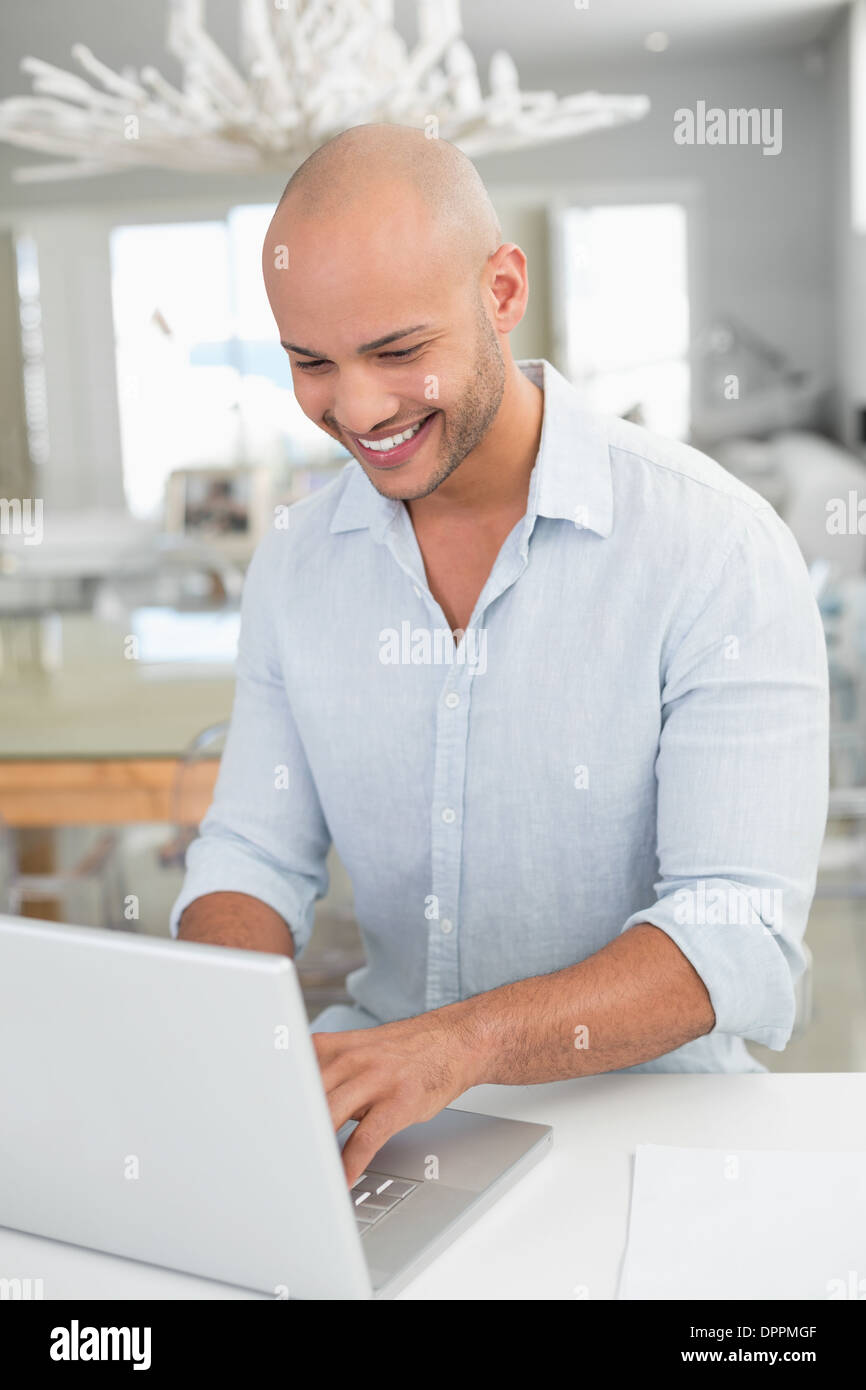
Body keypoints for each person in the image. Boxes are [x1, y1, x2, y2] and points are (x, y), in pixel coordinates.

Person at [171, 123, 828, 1187]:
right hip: (379, 1129)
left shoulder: (714, 545)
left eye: (396, 351)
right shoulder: (295, 562)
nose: (359, 409)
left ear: (503, 290)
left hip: (650, 1128)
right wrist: (236, 1051)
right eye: (310, 363)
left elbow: (736, 930)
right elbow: (251, 852)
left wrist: (454, 1044)